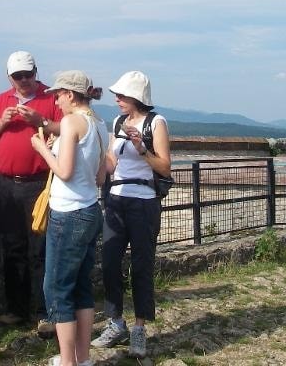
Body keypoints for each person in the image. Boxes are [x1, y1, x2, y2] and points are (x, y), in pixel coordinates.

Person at [0, 51, 62, 336]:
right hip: (7, 185)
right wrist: (2, 121)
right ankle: (16, 309)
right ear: (9, 77)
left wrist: (40, 120)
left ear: (36, 72)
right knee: (11, 247)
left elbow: (67, 130)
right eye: (18, 76)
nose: (24, 80)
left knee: (41, 249)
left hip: (40, 182)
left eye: (28, 74)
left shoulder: (51, 98)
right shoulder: (1, 101)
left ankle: (44, 312)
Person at [92, 71, 171, 359]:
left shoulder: (156, 123)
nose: (117, 99)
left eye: (122, 95)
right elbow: (112, 162)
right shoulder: (118, 122)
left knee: (141, 265)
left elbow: (164, 167)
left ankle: (139, 327)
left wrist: (142, 149)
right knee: (110, 263)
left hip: (143, 202)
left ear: (136, 97)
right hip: (116, 200)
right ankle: (115, 323)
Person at [31, 71, 107, 366]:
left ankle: (67, 361)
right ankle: (82, 358)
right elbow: (100, 176)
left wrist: (42, 149)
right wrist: (59, 149)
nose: (56, 101)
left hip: (68, 213)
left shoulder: (71, 122)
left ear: (71, 95)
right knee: (81, 286)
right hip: (90, 209)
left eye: (58, 95)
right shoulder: (99, 124)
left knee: (57, 288)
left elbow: (63, 172)